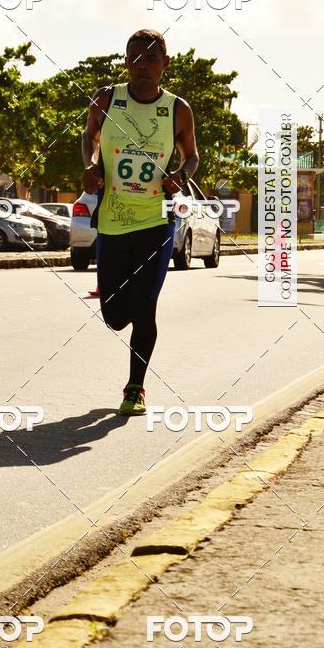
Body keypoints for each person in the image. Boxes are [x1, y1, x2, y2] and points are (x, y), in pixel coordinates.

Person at [82, 29, 199, 416]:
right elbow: (90, 137)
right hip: (114, 220)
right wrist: (91, 166)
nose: (142, 66)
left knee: (145, 308)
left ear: (165, 64)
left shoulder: (177, 109)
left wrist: (180, 177)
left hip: (155, 219)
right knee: (115, 316)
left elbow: (192, 156)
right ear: (126, 61)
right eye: (136, 59)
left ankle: (135, 389)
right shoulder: (107, 98)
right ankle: (128, 303)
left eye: (151, 59)